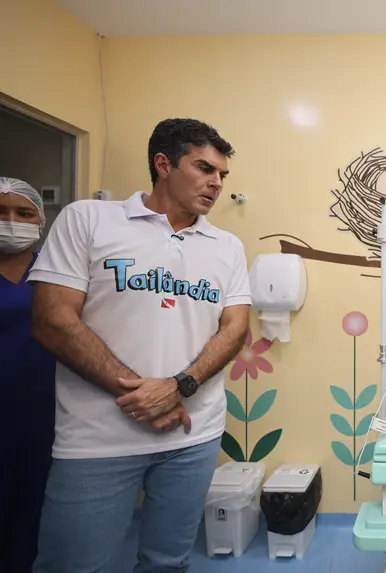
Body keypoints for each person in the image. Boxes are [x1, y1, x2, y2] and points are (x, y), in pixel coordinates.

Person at [29, 118, 252, 573]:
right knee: (73, 564)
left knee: (168, 563)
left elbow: (234, 328)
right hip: (98, 438)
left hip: (193, 435)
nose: (217, 183)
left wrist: (179, 386)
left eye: (222, 174)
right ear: (163, 164)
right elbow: (53, 319)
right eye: (205, 168)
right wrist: (144, 395)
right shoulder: (89, 220)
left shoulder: (226, 246)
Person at [0, 178, 57, 573]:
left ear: (40, 221)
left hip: (46, 411)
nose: (11, 221)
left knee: (34, 509)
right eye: (1, 213)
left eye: (23, 213)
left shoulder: (55, 272)